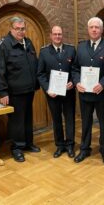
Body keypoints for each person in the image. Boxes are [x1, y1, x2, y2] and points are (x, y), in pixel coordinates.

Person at [0, 16, 40, 162]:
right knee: (16, 121)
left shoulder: (28, 42)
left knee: (27, 118)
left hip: (29, 89)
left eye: (23, 28)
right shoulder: (3, 45)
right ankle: (17, 147)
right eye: (17, 29)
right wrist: (2, 92)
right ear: (11, 29)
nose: (21, 31)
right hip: (14, 92)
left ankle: (28, 143)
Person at [72, 17, 104, 165]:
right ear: (88, 29)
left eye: (97, 27)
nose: (94, 30)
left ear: (101, 30)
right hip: (85, 93)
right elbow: (74, 68)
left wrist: (103, 84)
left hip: (102, 94)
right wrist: (77, 81)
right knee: (85, 122)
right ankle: (84, 149)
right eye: (91, 27)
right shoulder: (81, 47)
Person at [37, 25, 76, 158]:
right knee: (56, 119)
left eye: (59, 34)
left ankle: (70, 145)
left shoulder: (71, 50)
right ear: (51, 36)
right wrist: (47, 88)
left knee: (70, 118)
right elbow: (40, 74)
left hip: (69, 92)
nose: (57, 36)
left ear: (62, 35)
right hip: (52, 93)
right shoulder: (44, 52)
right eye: (55, 34)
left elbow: (75, 70)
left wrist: (73, 81)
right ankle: (60, 145)